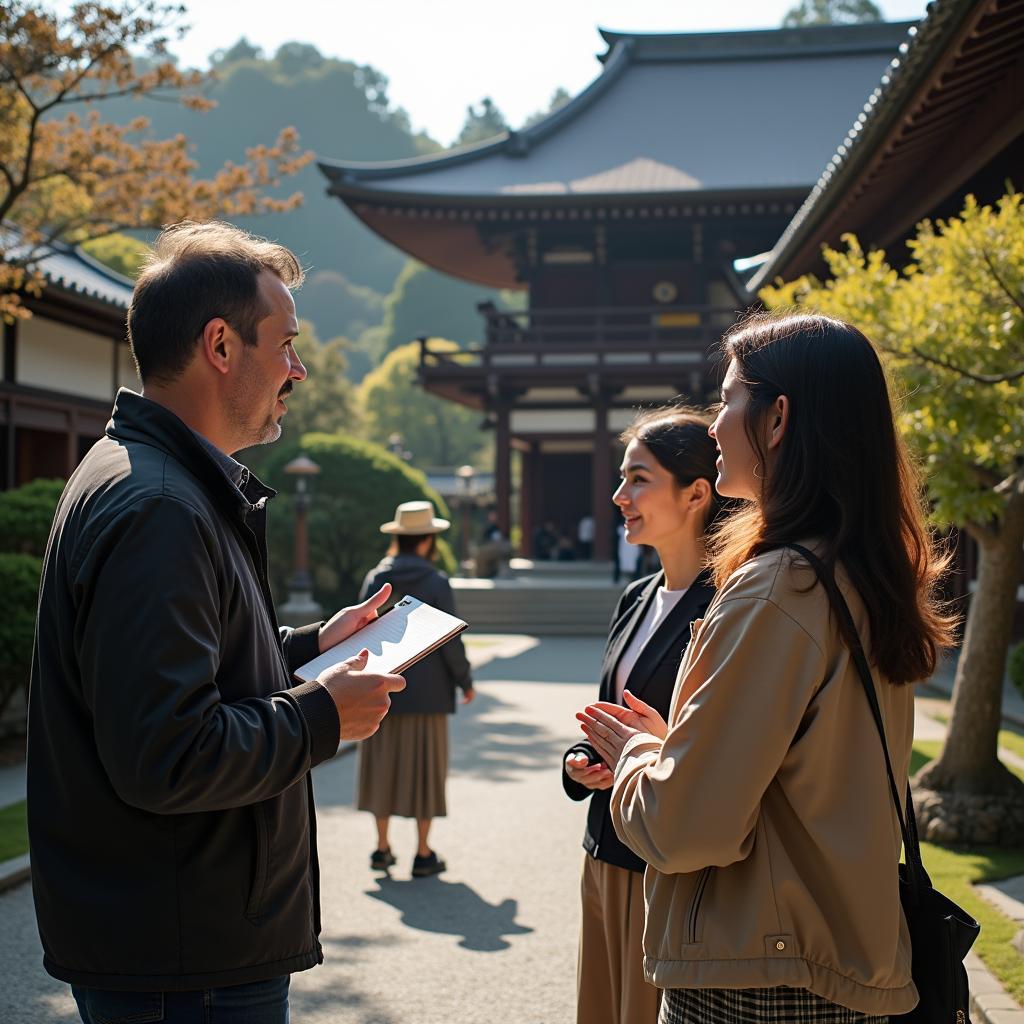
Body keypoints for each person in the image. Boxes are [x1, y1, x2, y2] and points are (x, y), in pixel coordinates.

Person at [27, 221, 406, 1024]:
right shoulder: (162, 507)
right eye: (288, 344)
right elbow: (168, 753)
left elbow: (179, 675)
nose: (298, 370)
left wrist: (304, 650)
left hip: (177, 939)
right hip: (181, 956)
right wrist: (321, 715)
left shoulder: (152, 479)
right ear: (222, 345)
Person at [577, 312, 955, 1022]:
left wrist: (635, 756)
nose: (714, 423)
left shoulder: (779, 584)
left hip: (759, 977)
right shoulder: (857, 571)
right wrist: (671, 749)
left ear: (777, 418)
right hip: (840, 958)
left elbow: (687, 827)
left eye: (728, 399)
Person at [562, 407, 721, 1024]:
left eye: (638, 479)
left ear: (696, 494)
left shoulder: (730, 604)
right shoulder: (636, 597)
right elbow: (615, 716)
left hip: (662, 861)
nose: (618, 495)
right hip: (603, 845)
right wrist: (580, 762)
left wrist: (655, 748)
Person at [357, 500, 475, 877]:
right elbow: (450, 641)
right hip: (428, 692)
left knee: (381, 769)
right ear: (427, 542)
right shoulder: (436, 582)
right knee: (426, 771)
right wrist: (464, 680)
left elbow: (358, 629)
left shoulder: (377, 578)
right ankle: (423, 852)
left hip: (380, 690)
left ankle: (381, 847)